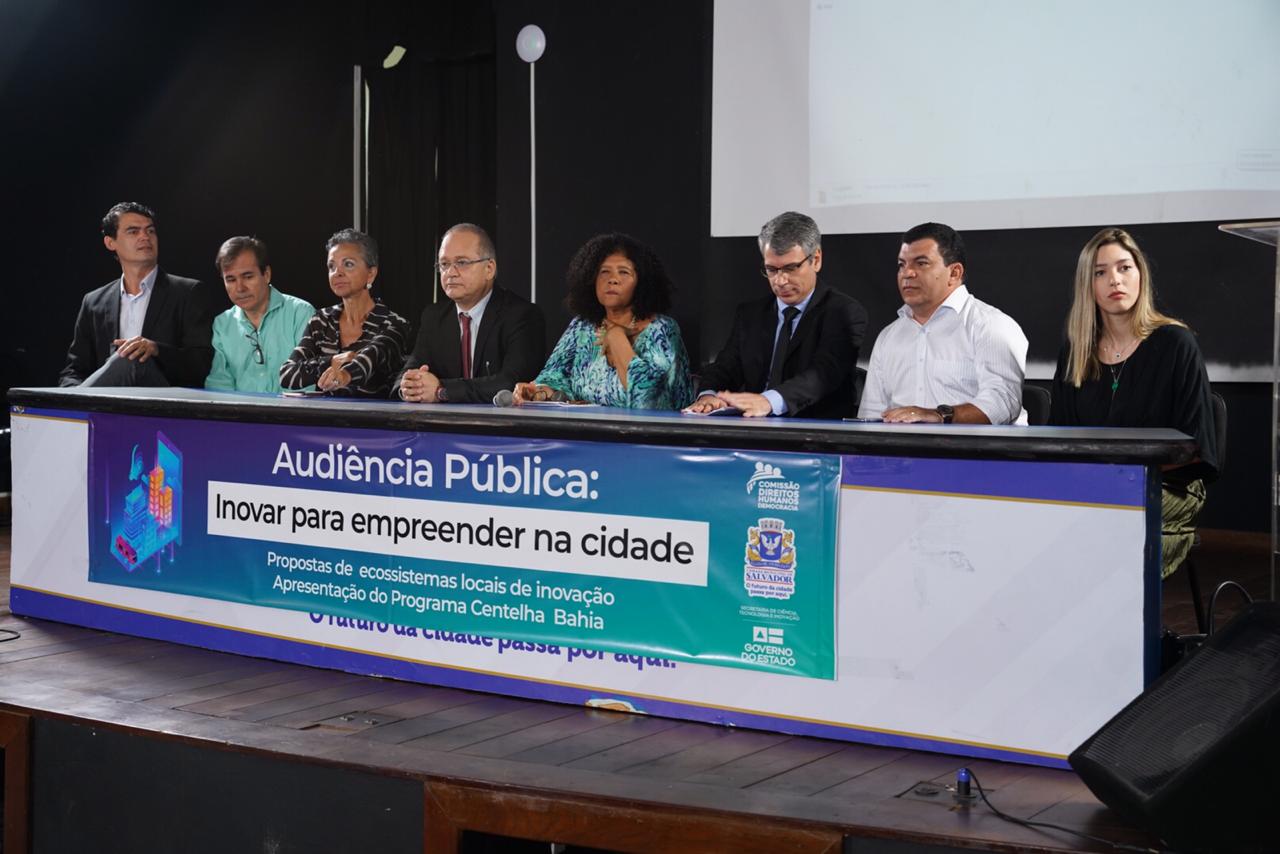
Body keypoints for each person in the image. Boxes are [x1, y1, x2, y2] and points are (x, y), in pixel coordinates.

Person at [1051, 227, 1218, 578]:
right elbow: (1059, 438)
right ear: (1087, 286)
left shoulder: (1176, 344)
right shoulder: (1076, 352)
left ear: (1140, 274)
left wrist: (1123, 476)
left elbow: (1196, 448)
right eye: (1100, 272)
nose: (1115, 280)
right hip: (1095, 487)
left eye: (1124, 268)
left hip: (1169, 486)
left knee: (1097, 526)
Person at [686, 211, 867, 418]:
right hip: (753, 427)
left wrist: (769, 401)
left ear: (816, 260)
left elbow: (824, 374)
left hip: (815, 429)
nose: (780, 281)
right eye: (771, 270)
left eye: (790, 268)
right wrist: (708, 395)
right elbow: (725, 367)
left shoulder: (844, 312)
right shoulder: (751, 315)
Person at [857, 222, 1027, 424]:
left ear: (954, 273)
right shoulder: (888, 336)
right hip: (900, 445)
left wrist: (939, 415)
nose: (907, 273)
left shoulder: (990, 325)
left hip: (974, 445)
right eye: (902, 265)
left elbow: (1003, 402)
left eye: (921, 263)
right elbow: (871, 416)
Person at [514, 233, 693, 409]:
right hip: (586, 426)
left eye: (624, 272)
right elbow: (554, 377)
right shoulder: (582, 327)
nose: (612, 280)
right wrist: (539, 391)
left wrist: (616, 336)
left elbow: (646, 399)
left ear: (641, 283)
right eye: (604, 272)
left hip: (648, 428)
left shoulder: (661, 330)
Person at [60, 202, 214, 387]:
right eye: (133, 231)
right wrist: (68, 391)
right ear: (110, 243)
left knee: (129, 357)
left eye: (150, 231)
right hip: (108, 402)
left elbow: (202, 363)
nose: (145, 237)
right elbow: (74, 370)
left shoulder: (188, 292)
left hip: (161, 399)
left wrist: (155, 350)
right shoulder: (94, 302)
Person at [394, 224, 545, 403]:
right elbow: (408, 371)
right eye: (444, 264)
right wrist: (409, 387)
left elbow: (512, 383)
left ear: (489, 269)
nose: (450, 273)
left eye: (462, 263)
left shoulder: (523, 315)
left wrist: (442, 391)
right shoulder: (434, 317)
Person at [280, 229, 410, 397]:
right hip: (324, 413)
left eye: (348, 264)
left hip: (374, 414)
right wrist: (331, 361)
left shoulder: (394, 324)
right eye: (331, 266)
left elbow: (368, 359)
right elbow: (287, 375)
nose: (337, 273)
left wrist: (344, 374)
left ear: (371, 274)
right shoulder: (321, 320)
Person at [205, 236, 315, 393]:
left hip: (293, 409)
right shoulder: (222, 324)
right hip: (239, 409)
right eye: (231, 279)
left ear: (267, 274)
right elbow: (219, 386)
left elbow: (308, 385)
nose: (240, 288)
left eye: (248, 277)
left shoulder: (301, 314)